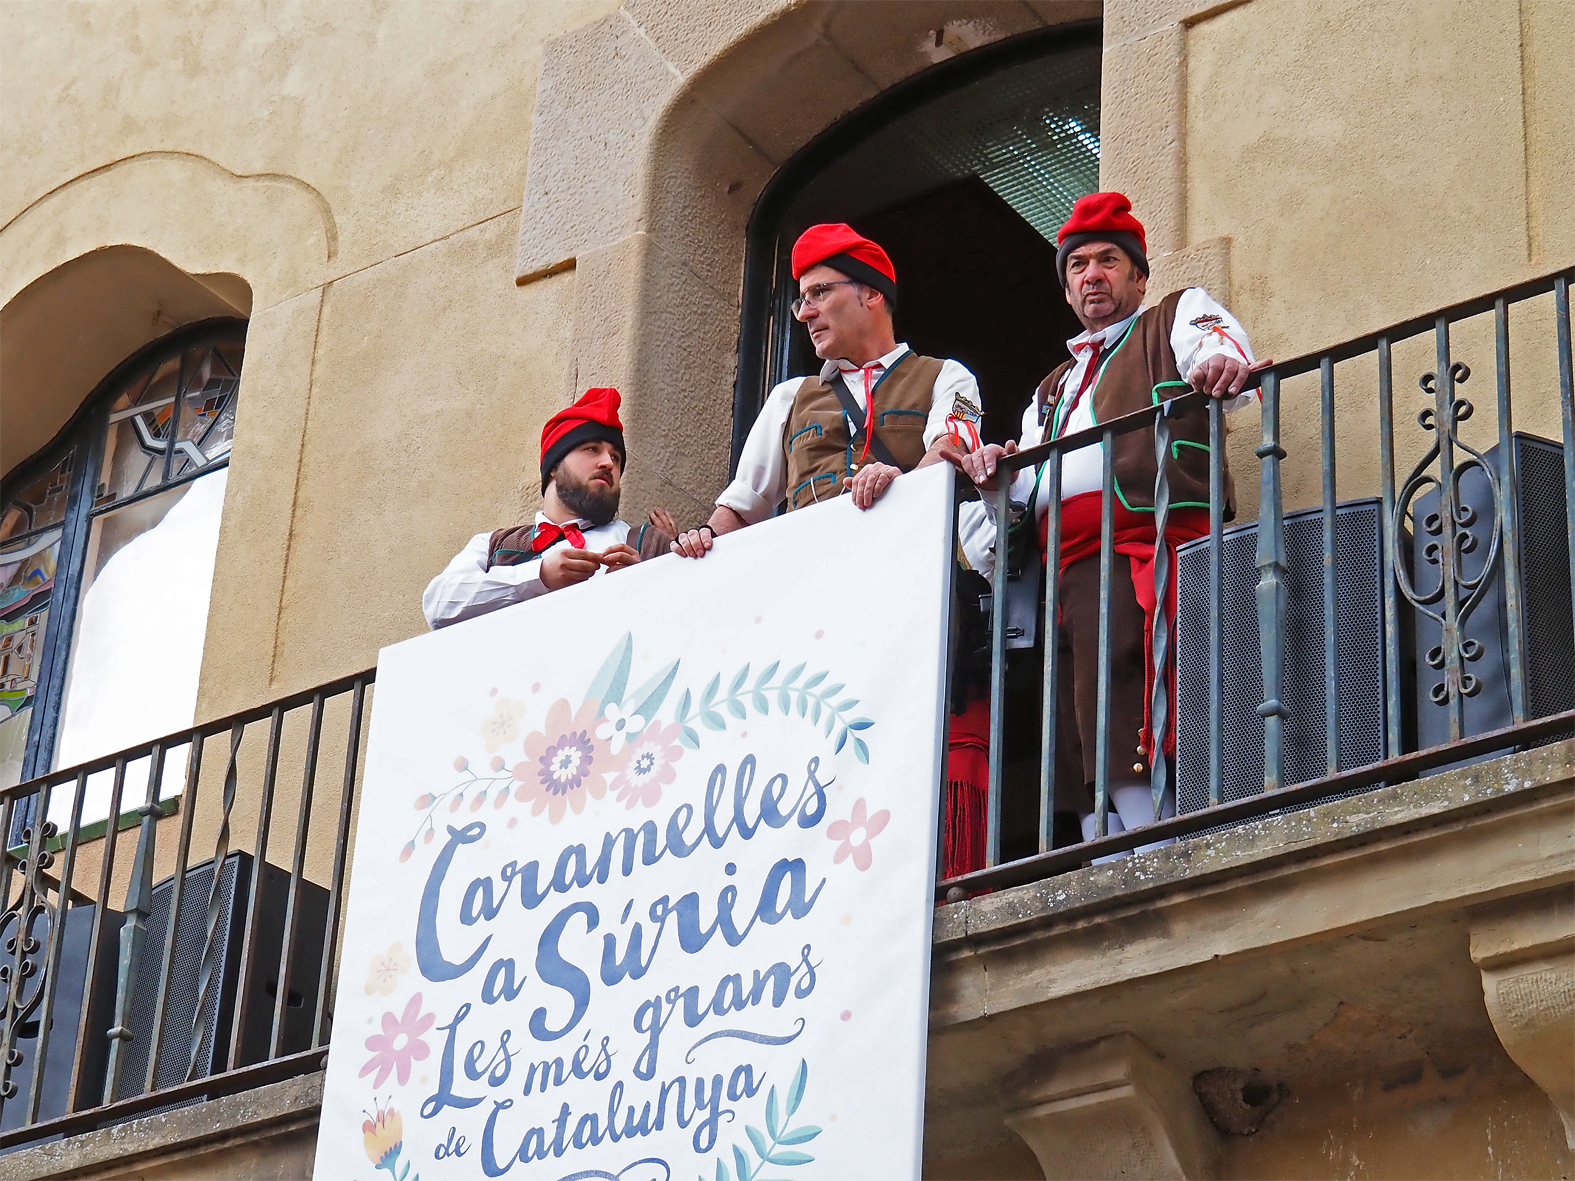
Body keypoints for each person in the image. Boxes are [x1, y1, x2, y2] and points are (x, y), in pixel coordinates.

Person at [958, 191, 1266, 857]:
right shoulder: (1052, 387)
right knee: (1074, 711)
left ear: (1136, 275)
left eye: (1106, 261)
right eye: (1077, 267)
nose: (1091, 275)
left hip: (1139, 543)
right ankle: (1103, 845)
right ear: (1067, 289)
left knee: (1118, 683)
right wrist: (994, 479)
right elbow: (1017, 501)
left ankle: (1151, 838)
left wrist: (1219, 367)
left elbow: (1222, 352)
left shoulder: (1172, 317)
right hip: (1061, 570)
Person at [669, 222, 983, 558]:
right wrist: (700, 539)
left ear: (872, 294)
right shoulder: (788, 397)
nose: (804, 313)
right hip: (807, 579)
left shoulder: (947, 376)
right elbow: (742, 507)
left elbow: (950, 452)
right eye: (801, 300)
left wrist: (900, 491)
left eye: (820, 292)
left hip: (907, 567)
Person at [422, 387, 673, 629]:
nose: (608, 462)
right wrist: (538, 576)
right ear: (554, 466)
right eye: (592, 449)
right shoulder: (493, 544)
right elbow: (438, 606)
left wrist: (642, 584)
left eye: (616, 457)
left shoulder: (646, 542)